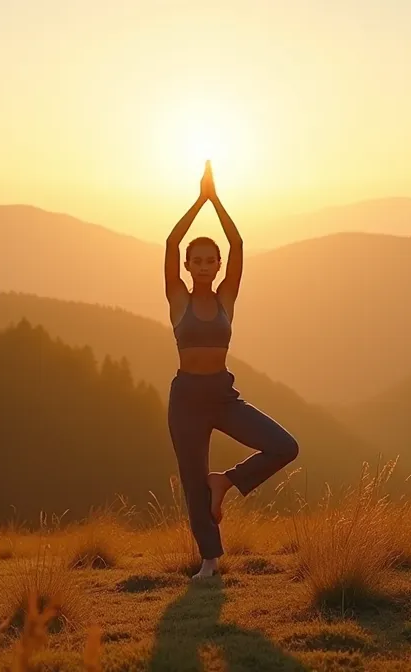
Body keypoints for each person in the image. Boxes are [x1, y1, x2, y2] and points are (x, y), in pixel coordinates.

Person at [164, 160, 300, 580]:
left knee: (284, 446)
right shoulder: (179, 300)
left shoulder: (226, 299)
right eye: (197, 261)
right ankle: (210, 560)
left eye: (211, 260)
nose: (204, 266)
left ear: (219, 266)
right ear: (188, 266)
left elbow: (237, 244)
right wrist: (197, 201)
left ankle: (226, 481)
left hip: (222, 396)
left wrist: (216, 200)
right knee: (192, 481)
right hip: (187, 399)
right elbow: (171, 243)